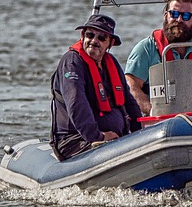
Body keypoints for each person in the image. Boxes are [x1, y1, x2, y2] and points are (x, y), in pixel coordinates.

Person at [50, 14, 143, 161]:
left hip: (116, 139)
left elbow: (128, 101)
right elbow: (76, 104)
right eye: (90, 35)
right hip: (76, 141)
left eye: (101, 38)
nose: (94, 41)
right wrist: (99, 137)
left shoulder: (111, 62)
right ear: (82, 35)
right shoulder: (72, 63)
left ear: (110, 43)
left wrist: (140, 132)